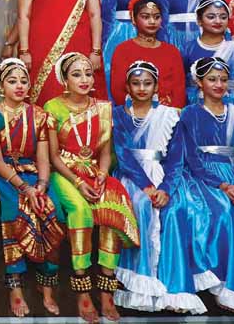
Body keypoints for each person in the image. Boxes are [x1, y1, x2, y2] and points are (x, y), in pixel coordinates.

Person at [156, 57, 234, 318]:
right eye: (212, 79)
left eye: (223, 80)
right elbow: (191, 158)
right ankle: (211, 280)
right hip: (203, 174)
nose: (218, 84)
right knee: (212, 211)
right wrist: (223, 185)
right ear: (199, 82)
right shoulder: (189, 114)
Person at [44, 52, 140, 324]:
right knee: (81, 212)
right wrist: (77, 182)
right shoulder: (53, 107)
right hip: (65, 173)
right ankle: (83, 291)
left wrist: (102, 174)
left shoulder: (103, 108)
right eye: (76, 74)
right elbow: (53, 157)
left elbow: (105, 153)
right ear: (64, 79)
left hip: (94, 171)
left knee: (114, 206)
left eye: (88, 73)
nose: (84, 79)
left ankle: (107, 290)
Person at [0, 57, 64, 318]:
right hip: (6, 176)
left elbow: (44, 157)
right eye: (12, 81)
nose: (19, 86)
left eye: (23, 81)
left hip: (35, 176)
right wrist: (24, 188)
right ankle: (15, 287)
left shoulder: (39, 115)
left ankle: (46, 284)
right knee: (14, 212)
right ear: (1, 85)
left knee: (53, 210)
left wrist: (41, 185)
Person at [110, 61, 178, 312]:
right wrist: (147, 186)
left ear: (156, 87)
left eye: (147, 83)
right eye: (136, 83)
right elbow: (123, 154)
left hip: (162, 174)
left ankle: (170, 284)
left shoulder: (169, 115)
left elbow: (176, 158)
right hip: (132, 175)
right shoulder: (118, 114)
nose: (141, 88)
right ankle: (139, 280)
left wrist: (166, 188)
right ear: (127, 87)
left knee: (175, 210)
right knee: (140, 205)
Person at [109, 0, 186, 108]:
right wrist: (139, 111)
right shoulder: (123, 50)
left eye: (156, 17)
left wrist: (166, 113)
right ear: (133, 19)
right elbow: (118, 91)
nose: (152, 21)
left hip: (167, 114)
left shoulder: (172, 52)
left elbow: (179, 93)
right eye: (145, 17)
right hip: (133, 113)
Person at [182, 0, 234, 108]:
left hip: (231, 106)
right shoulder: (187, 49)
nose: (218, 21)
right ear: (199, 20)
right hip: (196, 105)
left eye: (223, 17)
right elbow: (179, 84)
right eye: (211, 17)